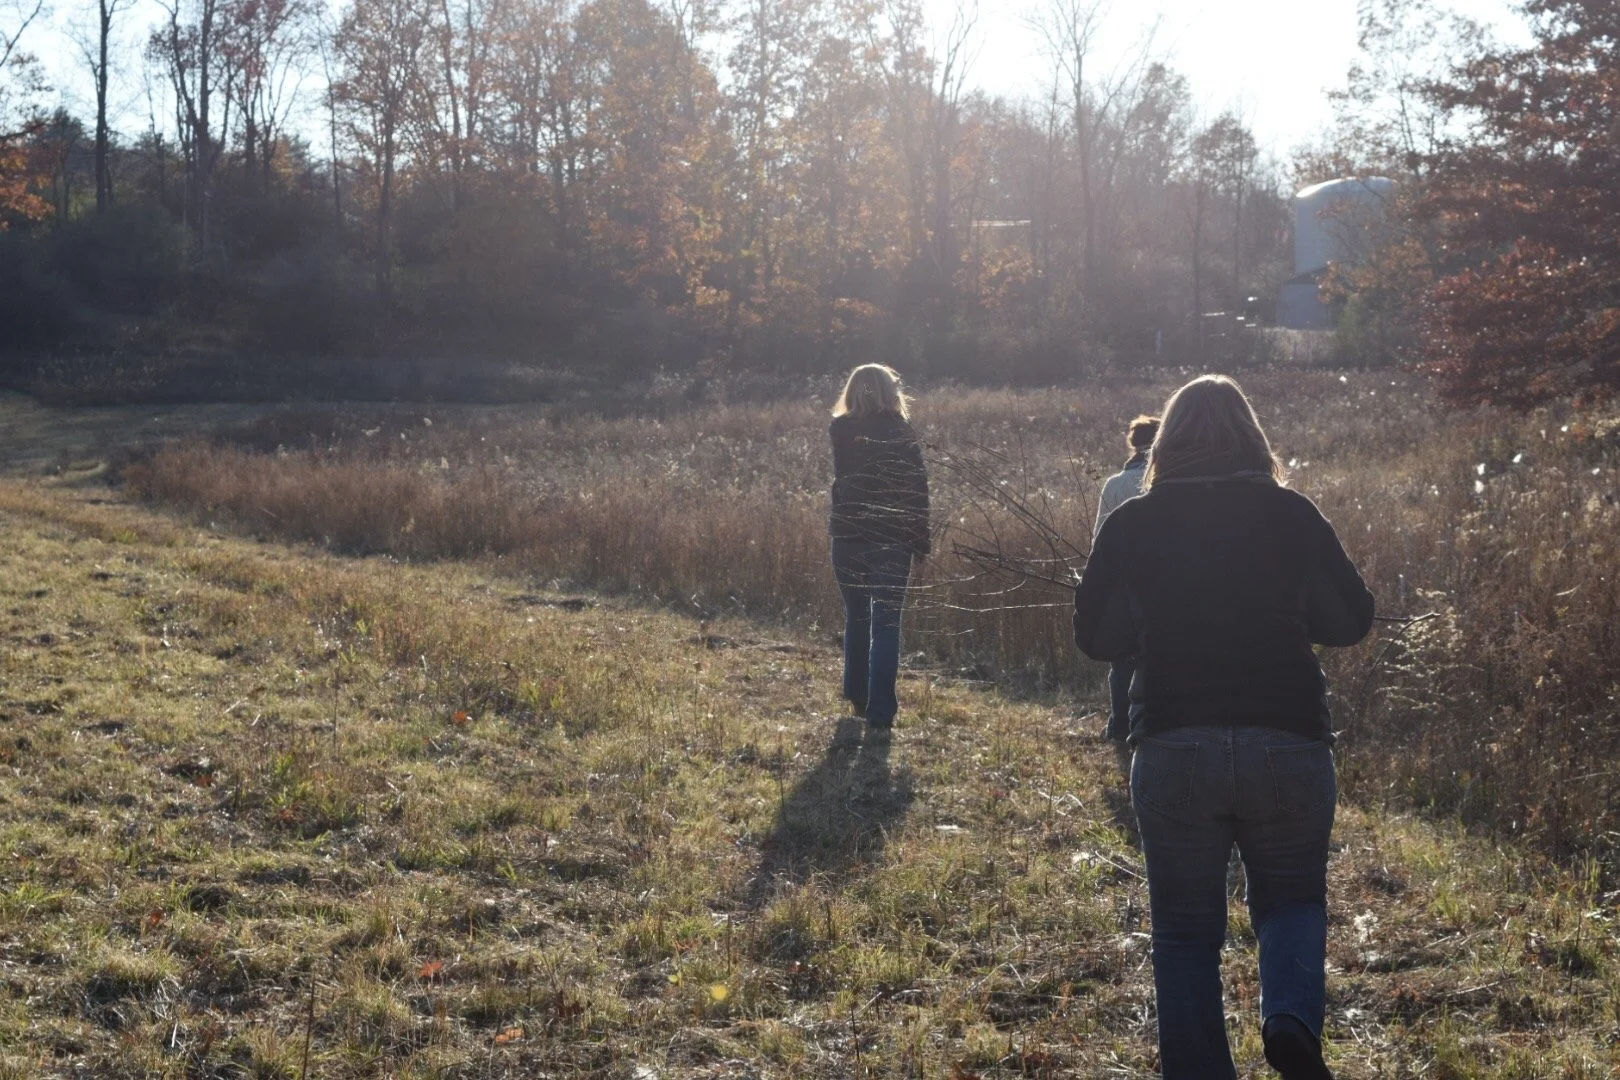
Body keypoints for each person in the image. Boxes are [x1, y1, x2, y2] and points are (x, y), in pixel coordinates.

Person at [1072, 375, 1374, 1080]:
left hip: (1175, 738)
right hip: (1288, 735)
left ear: (1166, 441)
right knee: (1293, 897)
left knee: (1183, 932)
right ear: (1253, 436)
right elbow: (1350, 621)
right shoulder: (1292, 514)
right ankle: (1290, 1020)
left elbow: (1098, 639)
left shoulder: (1134, 522)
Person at [828, 364, 930, 731]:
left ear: (853, 391)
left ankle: (857, 694)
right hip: (891, 537)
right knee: (885, 624)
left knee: (857, 617)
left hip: (848, 537)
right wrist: (921, 544)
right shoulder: (900, 432)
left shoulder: (840, 430)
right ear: (891, 392)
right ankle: (881, 712)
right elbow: (917, 489)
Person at [1093, 414, 1159, 746]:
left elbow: (1099, 542)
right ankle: (1147, 726)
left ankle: (1119, 726)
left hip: (1121, 586)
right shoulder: (1161, 484)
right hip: (1159, 586)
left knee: (1122, 662)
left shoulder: (1114, 485)